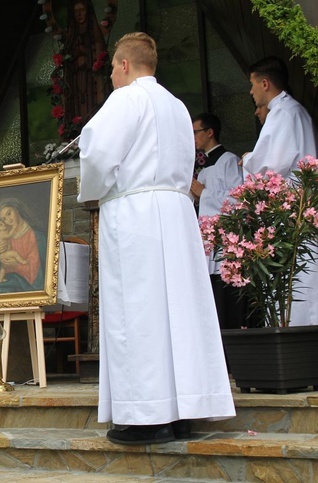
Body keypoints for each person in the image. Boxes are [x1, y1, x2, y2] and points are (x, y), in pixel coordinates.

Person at [76, 32, 235, 445]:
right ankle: (182, 408)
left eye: (112, 66)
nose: (111, 74)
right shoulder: (177, 106)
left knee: (138, 313)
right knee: (176, 312)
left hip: (136, 215)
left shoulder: (127, 99)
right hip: (176, 213)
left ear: (126, 64)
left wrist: (94, 189)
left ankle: (145, 415)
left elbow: (96, 154)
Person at [242, 56, 318, 327]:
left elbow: (270, 164)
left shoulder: (283, 113)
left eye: (252, 85)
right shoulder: (294, 111)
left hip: (292, 211)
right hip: (301, 209)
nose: (251, 92)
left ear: (265, 83)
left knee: (297, 285)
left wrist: (248, 157)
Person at [190, 113, 247, 330]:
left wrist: (204, 194)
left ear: (210, 132)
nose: (192, 137)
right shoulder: (202, 167)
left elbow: (238, 199)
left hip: (225, 243)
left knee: (225, 300)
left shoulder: (229, 161)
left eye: (196, 132)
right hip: (206, 241)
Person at [0, 199, 45, 295]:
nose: (8, 219)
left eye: (9, 213)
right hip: (1, 287)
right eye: (4, 219)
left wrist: (16, 266)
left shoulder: (35, 236)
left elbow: (36, 278)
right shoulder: (4, 237)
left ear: (17, 210)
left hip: (22, 289)